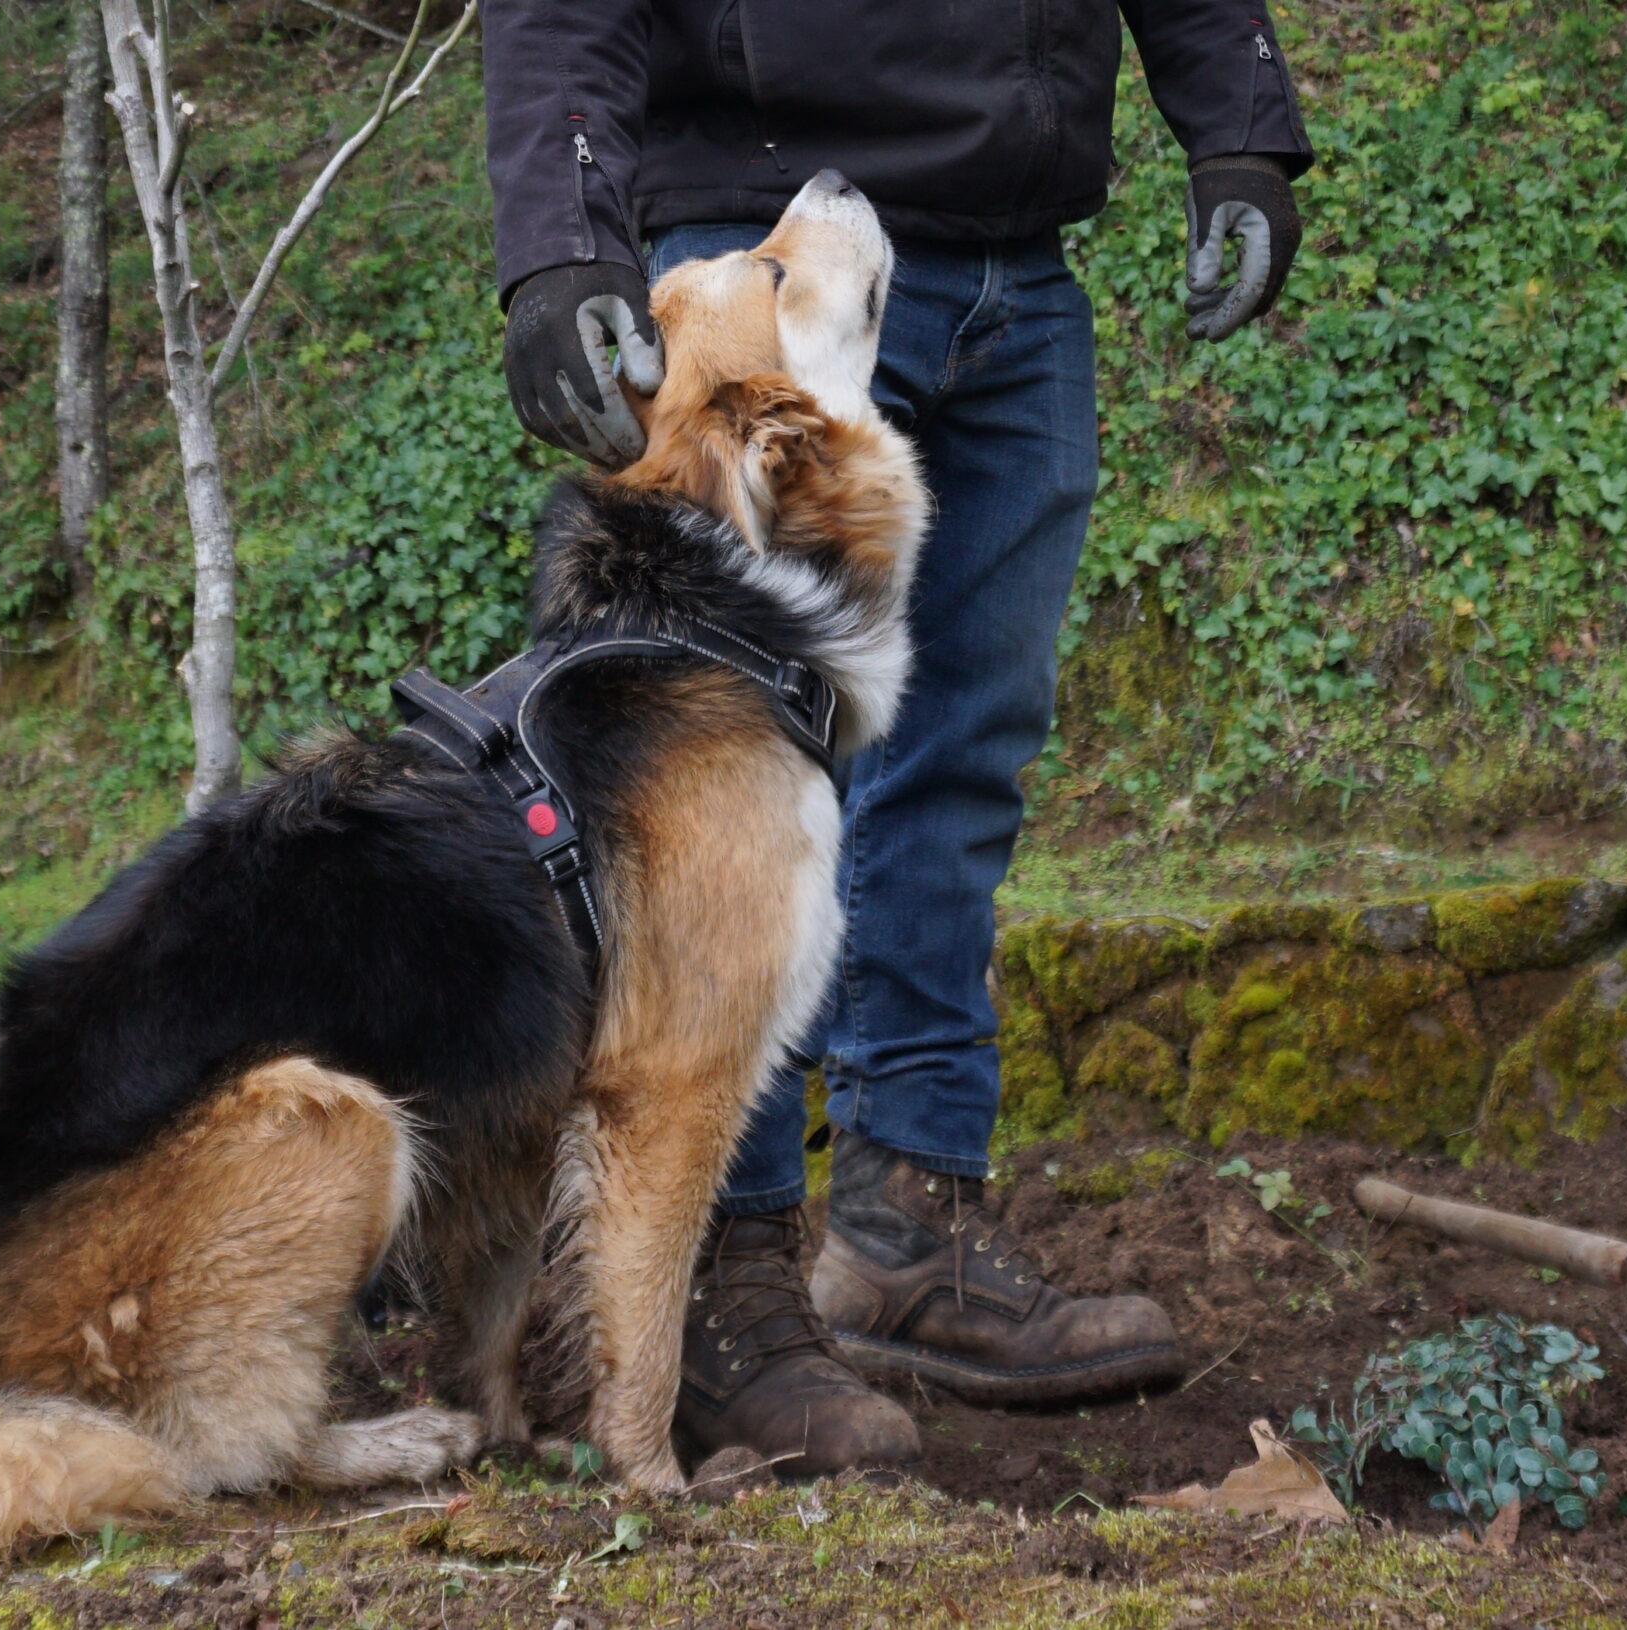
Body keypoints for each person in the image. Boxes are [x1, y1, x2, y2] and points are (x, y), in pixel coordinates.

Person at [483, 0, 1312, 1476]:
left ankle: (905, 1227)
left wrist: (1240, 124)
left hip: (1020, 262)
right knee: (713, 789)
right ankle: (722, 1286)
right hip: (775, 247)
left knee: (963, 760)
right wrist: (562, 230)